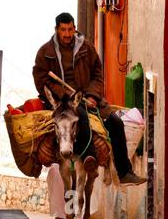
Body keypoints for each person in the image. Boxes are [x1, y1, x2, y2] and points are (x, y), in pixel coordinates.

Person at [33, 12, 147, 186]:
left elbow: (97, 73)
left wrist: (92, 95)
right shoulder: (45, 52)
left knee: (116, 123)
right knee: (80, 115)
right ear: (56, 30)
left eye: (70, 29)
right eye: (63, 30)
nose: (67, 34)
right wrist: (63, 94)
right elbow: (41, 78)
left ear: (74, 28)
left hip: (87, 98)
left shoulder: (86, 48)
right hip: (61, 104)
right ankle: (89, 158)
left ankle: (125, 172)